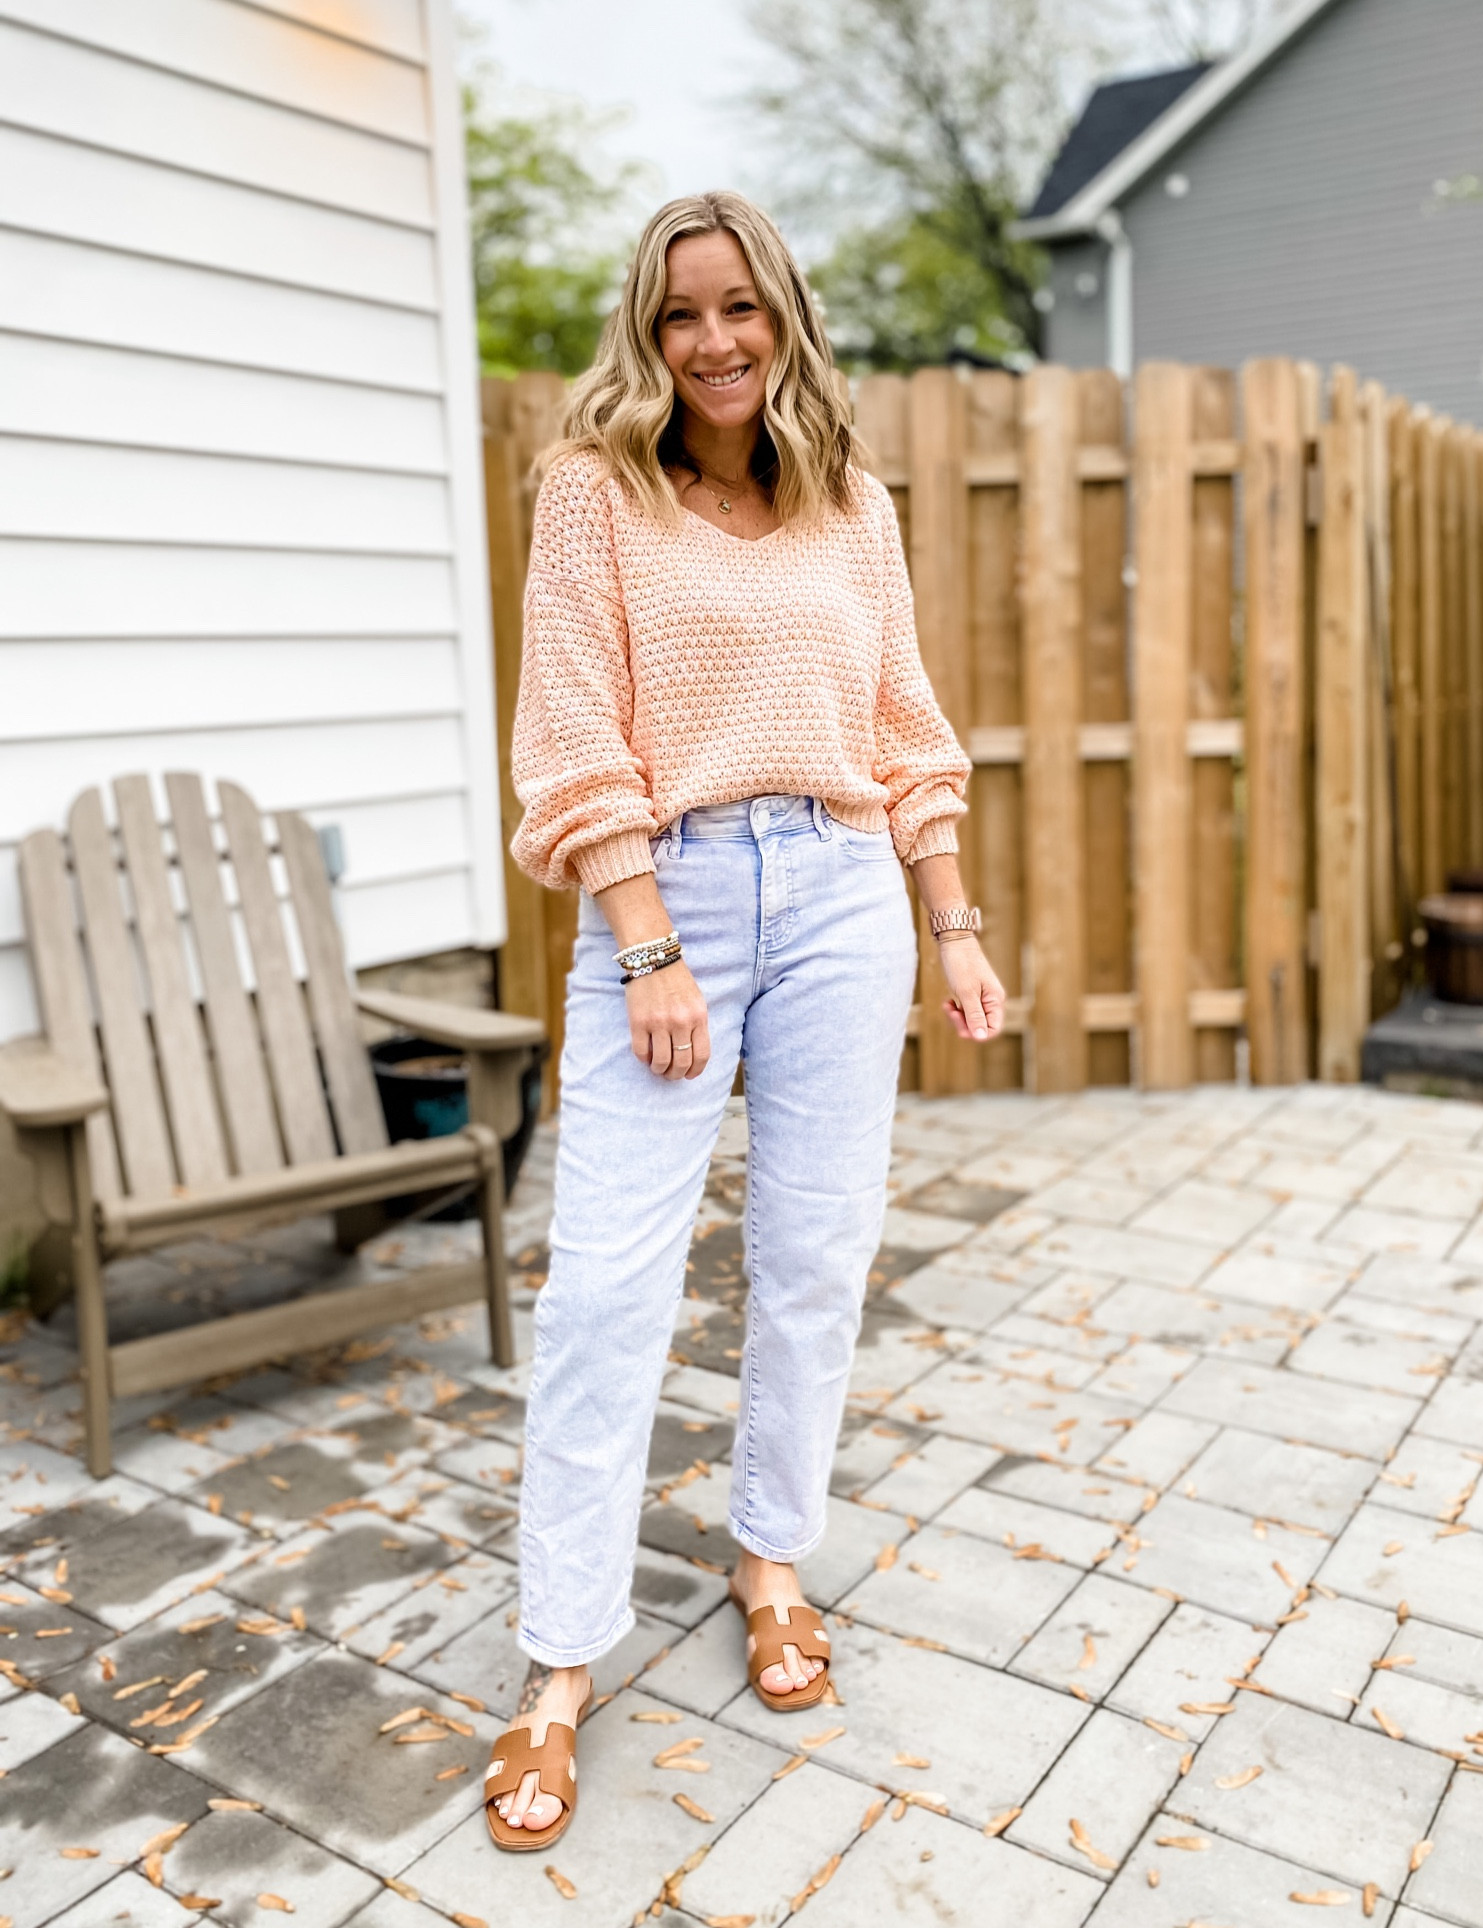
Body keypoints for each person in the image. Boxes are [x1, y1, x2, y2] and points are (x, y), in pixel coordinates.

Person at [483, 190, 1006, 1851]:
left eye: (742, 310)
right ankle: (560, 1662)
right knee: (606, 1295)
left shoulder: (855, 503)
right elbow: (573, 739)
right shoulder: (592, 496)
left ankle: (771, 1558)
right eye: (682, 313)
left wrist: (954, 924)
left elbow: (904, 727)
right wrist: (645, 949)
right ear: (647, 328)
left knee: (816, 1251)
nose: (714, 343)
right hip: (673, 898)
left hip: (848, 887)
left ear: (785, 319)